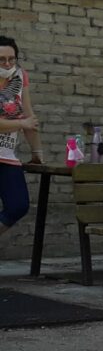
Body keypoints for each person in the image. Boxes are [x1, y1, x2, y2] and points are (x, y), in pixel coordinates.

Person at [0, 35, 43, 237]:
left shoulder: (19, 76)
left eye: (11, 58)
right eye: (1, 59)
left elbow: (28, 114)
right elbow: (23, 121)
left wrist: (37, 151)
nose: (7, 63)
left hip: (7, 154)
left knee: (18, 205)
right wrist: (20, 123)